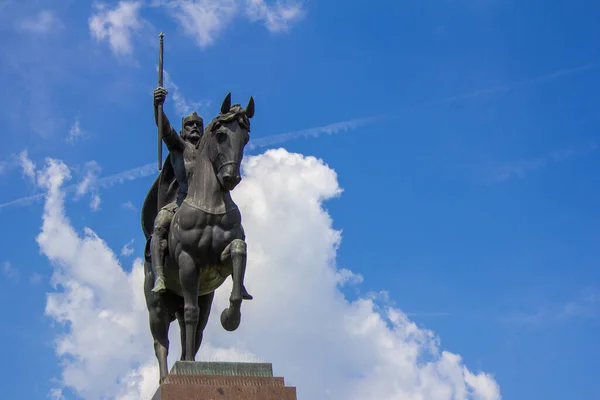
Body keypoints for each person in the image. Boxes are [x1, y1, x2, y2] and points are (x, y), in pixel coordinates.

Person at [150, 86, 204, 293]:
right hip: (181, 202)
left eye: (198, 125)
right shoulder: (178, 146)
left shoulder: (208, 151)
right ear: (183, 131)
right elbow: (164, 129)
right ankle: (159, 277)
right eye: (190, 125)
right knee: (159, 227)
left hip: (207, 201)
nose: (194, 128)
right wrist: (158, 106)